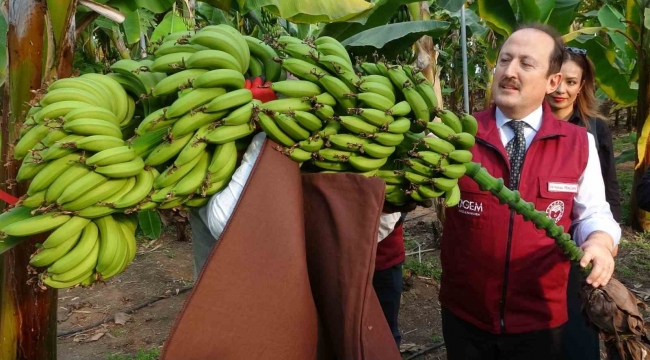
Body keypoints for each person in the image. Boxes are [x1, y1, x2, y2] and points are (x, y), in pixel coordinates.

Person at [439, 23, 620, 360]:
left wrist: (599, 242)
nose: (509, 72)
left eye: (526, 63)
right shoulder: (458, 136)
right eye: (504, 60)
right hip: (466, 315)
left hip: (541, 318)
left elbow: (594, 213)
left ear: (552, 81)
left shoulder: (579, 142)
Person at [545, 47, 622, 360]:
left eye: (572, 82)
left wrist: (605, 239)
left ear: (582, 85)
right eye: (556, 80)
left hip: (581, 242)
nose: (562, 90)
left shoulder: (593, 128)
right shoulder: (525, 123)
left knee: (579, 328)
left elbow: (608, 188)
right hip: (541, 240)